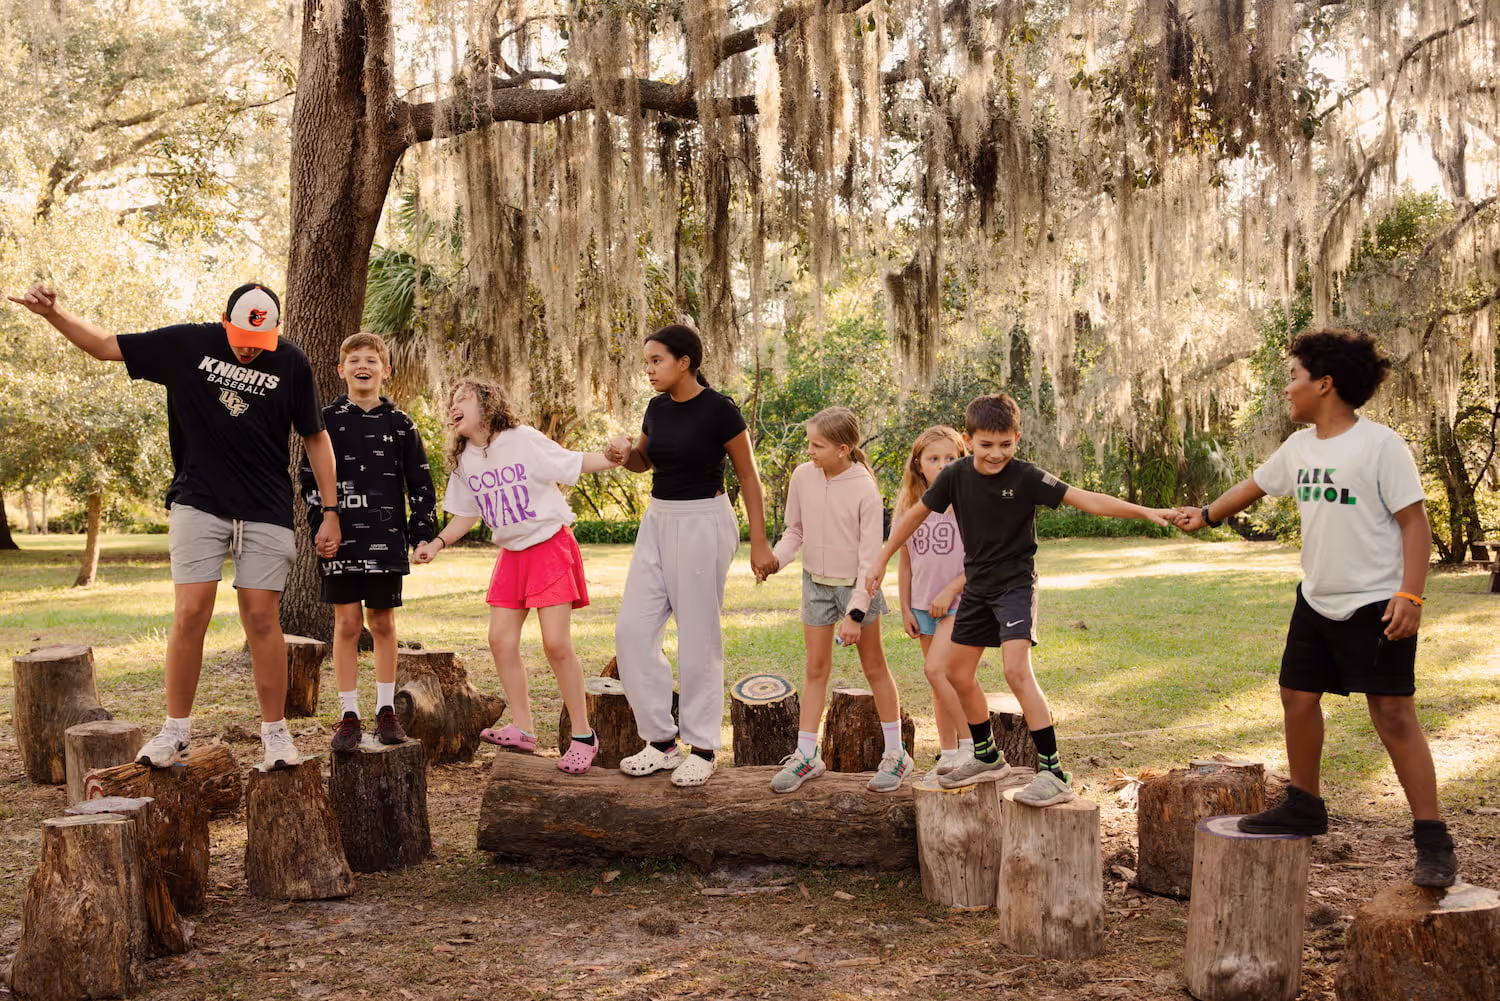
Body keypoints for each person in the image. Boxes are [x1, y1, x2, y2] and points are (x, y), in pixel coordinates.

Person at [6, 282, 340, 770]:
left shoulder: (291, 361)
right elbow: (104, 347)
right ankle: (175, 731)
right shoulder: (186, 344)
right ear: (222, 320)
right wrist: (53, 314)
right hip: (198, 500)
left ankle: (275, 736)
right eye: (241, 338)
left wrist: (329, 511)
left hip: (266, 506)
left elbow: (315, 437)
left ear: (275, 331)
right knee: (190, 612)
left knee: (263, 619)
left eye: (261, 341)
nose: (250, 349)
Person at [1176, 328, 1457, 887]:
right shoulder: (1300, 448)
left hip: (1377, 603)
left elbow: (1414, 524)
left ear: (1324, 384)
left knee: (1394, 715)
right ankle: (1305, 803)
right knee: (1296, 696)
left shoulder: (1380, 445)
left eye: (1294, 377)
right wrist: (1204, 515)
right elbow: (1253, 486)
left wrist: (1411, 594)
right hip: (1316, 600)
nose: (1287, 389)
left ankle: (1432, 839)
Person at [867, 393, 1179, 804]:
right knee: (957, 673)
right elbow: (912, 517)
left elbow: (1087, 499)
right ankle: (986, 755)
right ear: (969, 439)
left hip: (1015, 586)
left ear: (1017, 438)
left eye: (1005, 444)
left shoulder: (1027, 476)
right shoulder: (954, 476)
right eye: (986, 445)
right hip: (977, 588)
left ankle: (1053, 773)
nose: (996, 454)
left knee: (1016, 671)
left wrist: (1147, 512)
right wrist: (881, 558)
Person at [413, 378, 617, 774]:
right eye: (450, 401)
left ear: (487, 404)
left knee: (556, 644)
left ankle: (583, 735)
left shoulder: (521, 439)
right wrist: (437, 543)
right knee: (500, 640)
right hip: (512, 555)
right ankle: (523, 728)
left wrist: (613, 457)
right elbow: (467, 515)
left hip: (548, 545)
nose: (453, 406)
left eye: (462, 399)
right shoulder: (466, 459)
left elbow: (571, 461)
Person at [604, 324, 776, 787]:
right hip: (657, 520)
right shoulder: (656, 408)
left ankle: (702, 746)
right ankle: (661, 742)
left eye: (656, 360)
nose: (649, 370)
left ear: (685, 362)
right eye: (647, 362)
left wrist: (759, 542)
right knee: (632, 633)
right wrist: (625, 452)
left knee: (699, 637)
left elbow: (750, 478)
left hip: (704, 520)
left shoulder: (720, 410)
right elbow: (645, 461)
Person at [759, 407, 912, 793]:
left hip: (857, 586)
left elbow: (869, 560)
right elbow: (796, 530)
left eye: (817, 445)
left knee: (874, 666)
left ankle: (896, 754)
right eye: (809, 442)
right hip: (815, 583)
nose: (809, 451)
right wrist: (777, 559)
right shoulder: (802, 477)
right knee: (815, 668)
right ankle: (807, 756)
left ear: (843, 448)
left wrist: (855, 613)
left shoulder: (864, 489)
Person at [299, 332, 436, 753]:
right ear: (341, 370)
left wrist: (423, 533)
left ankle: (384, 710)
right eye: (355, 360)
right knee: (346, 624)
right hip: (340, 538)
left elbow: (421, 483)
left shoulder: (401, 424)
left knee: (381, 623)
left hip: (385, 539)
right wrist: (321, 525)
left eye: (372, 360)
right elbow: (308, 480)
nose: (364, 366)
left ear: (385, 370)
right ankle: (348, 715)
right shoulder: (325, 422)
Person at [894, 426, 971, 772]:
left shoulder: (969, 503)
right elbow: (906, 561)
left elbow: (980, 560)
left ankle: (974, 746)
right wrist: (905, 607)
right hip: (923, 606)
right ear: (918, 464)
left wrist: (951, 589)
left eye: (950, 458)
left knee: (941, 671)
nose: (942, 465)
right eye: (934, 458)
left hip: (959, 602)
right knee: (938, 682)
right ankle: (950, 752)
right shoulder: (909, 506)